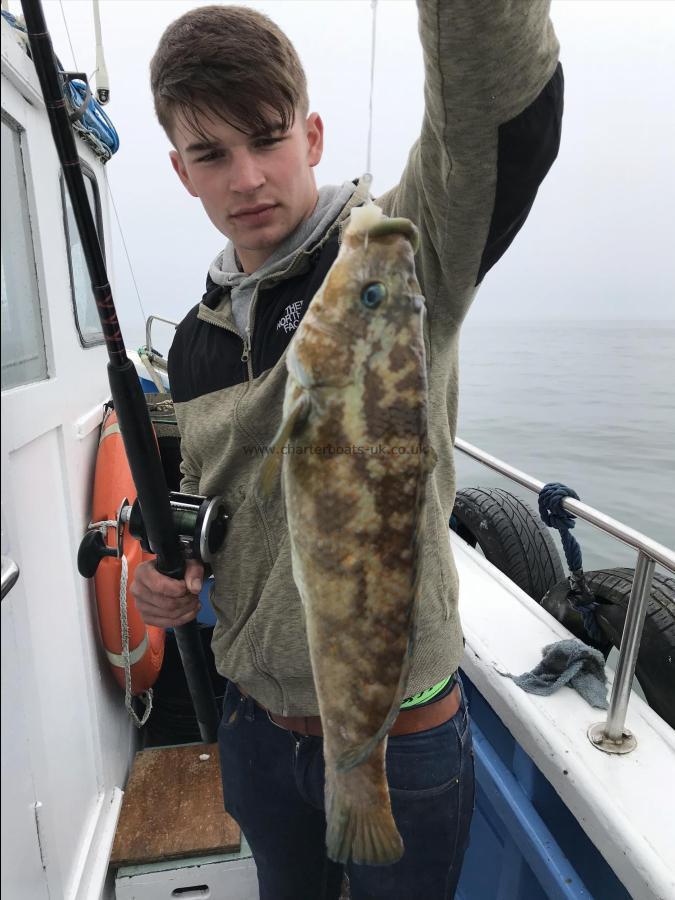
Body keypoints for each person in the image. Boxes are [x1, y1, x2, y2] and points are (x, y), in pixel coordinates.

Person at [132, 2, 563, 897]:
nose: (247, 177)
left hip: (403, 742)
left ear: (313, 133)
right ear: (181, 172)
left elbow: (486, 124)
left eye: (266, 137)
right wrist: (169, 575)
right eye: (211, 154)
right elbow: (200, 500)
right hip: (255, 729)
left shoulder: (395, 257)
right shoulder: (193, 345)